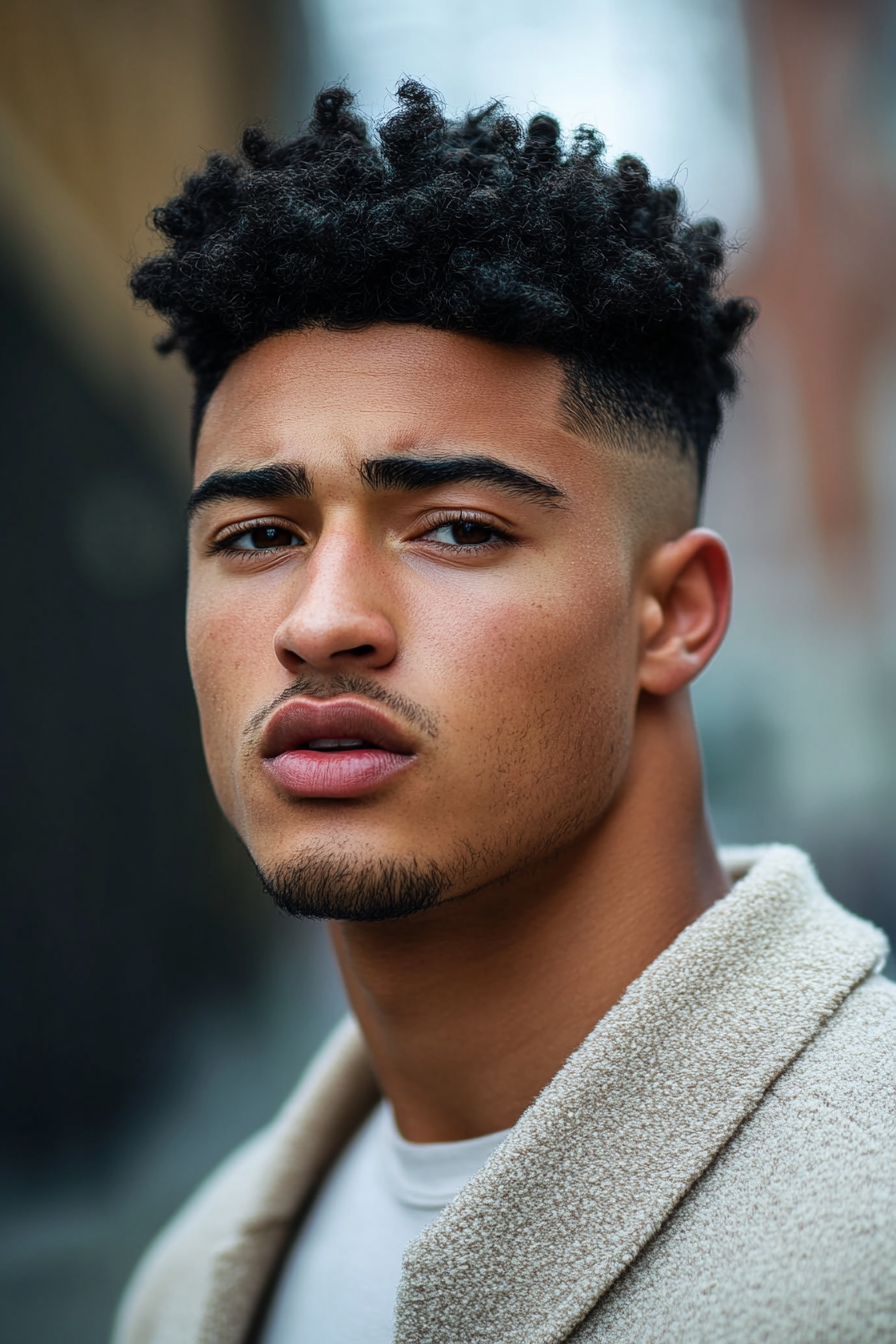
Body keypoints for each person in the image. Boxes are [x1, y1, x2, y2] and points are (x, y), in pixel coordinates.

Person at [113, 83, 894, 1344]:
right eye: (258, 534)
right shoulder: (181, 1288)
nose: (320, 622)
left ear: (675, 614)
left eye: (458, 530)